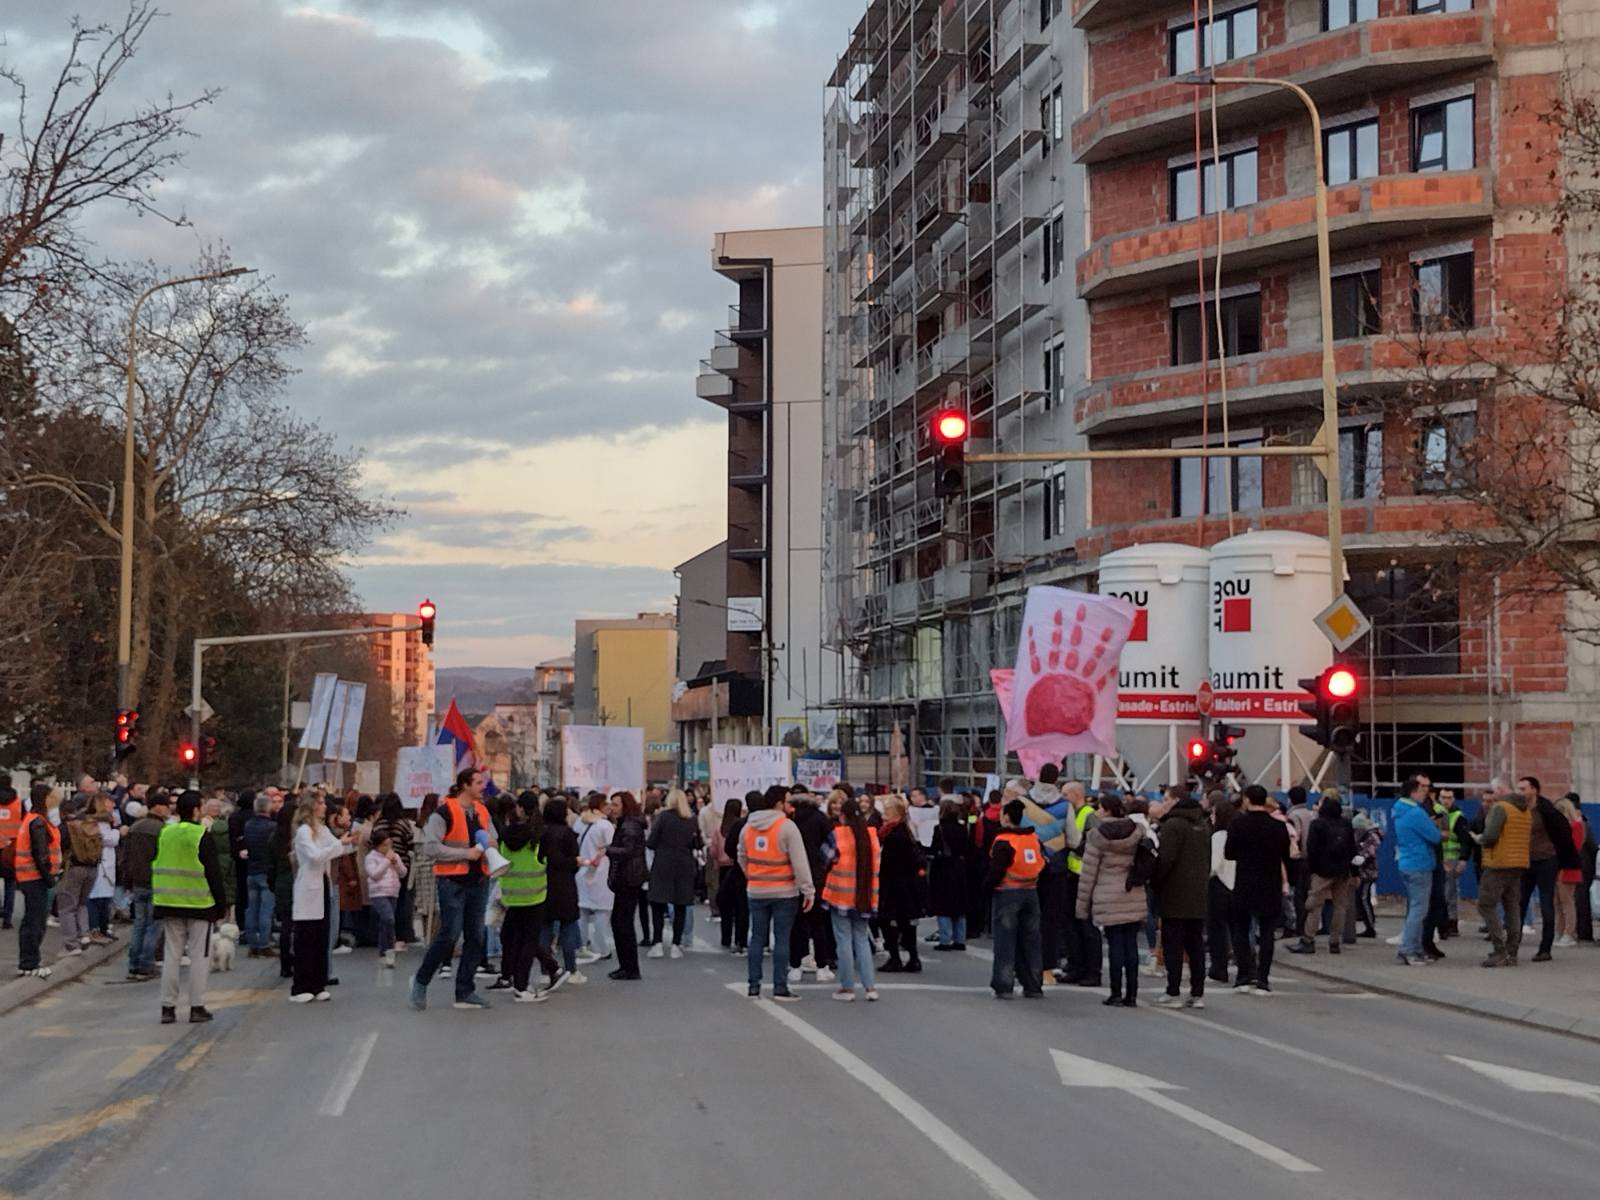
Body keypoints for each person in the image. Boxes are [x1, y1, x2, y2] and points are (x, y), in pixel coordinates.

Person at [410, 768, 495, 1010]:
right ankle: (421, 980)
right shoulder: (444, 812)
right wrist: (465, 853)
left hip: (478, 880)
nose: (483, 786)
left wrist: (490, 844)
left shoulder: (482, 811)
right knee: (449, 934)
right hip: (452, 881)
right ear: (465, 785)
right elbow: (431, 847)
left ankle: (465, 990)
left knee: (476, 936)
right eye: (478, 782)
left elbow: (493, 837)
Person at [153, 791, 228, 1024]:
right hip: (199, 904)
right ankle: (196, 1006)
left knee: (172, 955)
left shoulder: (166, 832)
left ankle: (167, 1007)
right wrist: (221, 905)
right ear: (196, 810)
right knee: (199, 956)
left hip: (168, 902)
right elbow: (213, 873)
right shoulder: (201, 835)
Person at [738, 784, 814, 1000]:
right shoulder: (787, 827)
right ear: (779, 803)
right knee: (782, 939)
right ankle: (780, 986)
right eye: (788, 801)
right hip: (784, 891)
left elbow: (741, 855)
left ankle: (753, 986)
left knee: (757, 937)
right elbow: (799, 862)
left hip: (756, 890)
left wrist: (752, 875)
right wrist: (808, 890)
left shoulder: (748, 827)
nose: (791, 806)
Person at [1075, 794, 1147, 1008]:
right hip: (1133, 891)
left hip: (1107, 894)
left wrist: (1082, 907)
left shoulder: (1097, 836)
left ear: (1106, 810)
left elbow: (1089, 874)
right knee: (1131, 945)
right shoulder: (1136, 831)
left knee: (1115, 944)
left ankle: (1116, 992)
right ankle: (1132, 993)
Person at [1224, 785, 1292, 994]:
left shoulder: (1238, 824)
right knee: (1267, 932)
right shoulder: (1278, 826)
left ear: (1247, 800)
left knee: (1241, 930)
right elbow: (1285, 855)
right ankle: (1263, 979)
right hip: (1270, 883)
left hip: (1245, 882)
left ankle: (1244, 975)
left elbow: (1229, 853)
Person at [493, 795, 561, 1002]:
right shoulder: (539, 835)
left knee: (512, 937)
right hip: (535, 895)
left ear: (519, 809)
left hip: (511, 895)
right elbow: (551, 862)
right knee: (528, 942)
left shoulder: (505, 834)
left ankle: (513, 977)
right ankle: (522, 987)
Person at [291, 791, 354, 1002]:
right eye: (320, 803)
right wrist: (339, 844)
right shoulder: (304, 832)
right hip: (308, 888)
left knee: (321, 936)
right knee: (306, 938)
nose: (325, 806)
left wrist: (349, 842)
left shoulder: (322, 829)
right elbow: (316, 856)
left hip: (323, 885)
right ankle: (301, 986)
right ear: (311, 806)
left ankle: (318, 983)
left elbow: (335, 848)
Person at [1152, 786, 1210, 1007]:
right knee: (1195, 944)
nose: (1163, 803)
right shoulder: (1202, 825)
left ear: (1175, 801)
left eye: (1166, 799)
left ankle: (1173, 990)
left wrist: (1155, 880)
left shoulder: (1173, 825)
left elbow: (1166, 859)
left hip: (1174, 891)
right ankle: (1197, 992)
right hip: (1198, 892)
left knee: (1173, 944)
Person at [821, 796, 881, 1001]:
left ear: (843, 816)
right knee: (862, 939)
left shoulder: (837, 835)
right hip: (866, 895)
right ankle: (870, 987)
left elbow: (825, 858)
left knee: (843, 941)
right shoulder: (872, 835)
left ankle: (847, 987)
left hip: (841, 895)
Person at [985, 798, 1045, 999]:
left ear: (1006, 817)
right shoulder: (1033, 838)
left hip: (1007, 891)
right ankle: (1033, 984)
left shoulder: (1004, 840)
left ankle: (1003, 984)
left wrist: (986, 888)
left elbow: (996, 870)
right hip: (1031, 891)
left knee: (1005, 941)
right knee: (1032, 940)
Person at [1520, 777, 1581, 962]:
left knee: (1547, 901)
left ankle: (1545, 948)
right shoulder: (1519, 808)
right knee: (1520, 901)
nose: (1520, 792)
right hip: (1526, 861)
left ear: (1534, 790)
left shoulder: (1546, 809)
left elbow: (1563, 832)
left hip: (1546, 860)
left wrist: (1562, 859)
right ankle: (1512, 944)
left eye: (1523, 788)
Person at [1290, 796, 1357, 956]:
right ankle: (1335, 942)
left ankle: (1308, 939)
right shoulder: (1346, 824)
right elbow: (1352, 849)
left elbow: (1311, 849)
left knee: (1315, 906)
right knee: (1340, 907)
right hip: (1342, 870)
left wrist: (1313, 869)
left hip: (1322, 871)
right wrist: (1354, 872)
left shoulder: (1318, 824)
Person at [1477, 781, 1531, 967]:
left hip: (1498, 863)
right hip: (1518, 863)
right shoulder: (1524, 810)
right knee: (1512, 907)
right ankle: (1512, 951)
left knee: (1486, 905)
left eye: (1494, 791)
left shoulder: (1501, 808)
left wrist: (1481, 839)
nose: (1492, 796)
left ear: (1500, 790)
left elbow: (1491, 835)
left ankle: (1499, 949)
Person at [786, 788, 837, 983]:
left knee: (797, 923)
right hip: (816, 875)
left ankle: (795, 965)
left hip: (792, 875)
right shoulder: (820, 818)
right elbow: (833, 846)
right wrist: (822, 864)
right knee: (818, 923)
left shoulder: (789, 820)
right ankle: (822, 966)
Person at [1392, 774, 1441, 966]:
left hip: (1407, 862)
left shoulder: (1399, 811)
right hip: (1420, 863)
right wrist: (1433, 825)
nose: (1424, 794)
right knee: (1419, 911)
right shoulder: (1416, 813)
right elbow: (1434, 836)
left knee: (1415, 908)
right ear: (1413, 792)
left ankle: (1416, 949)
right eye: (1421, 790)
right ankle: (1408, 950)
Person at [14, 783, 62, 979]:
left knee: (32, 921)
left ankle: (28, 962)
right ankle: (29, 963)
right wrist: (49, 878)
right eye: (52, 796)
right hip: (36, 878)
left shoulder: (33, 819)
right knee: (35, 922)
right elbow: (40, 854)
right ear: (46, 799)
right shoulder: (38, 822)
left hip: (31, 877)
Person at [646, 788, 699, 960]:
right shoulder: (691, 819)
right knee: (680, 904)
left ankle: (657, 943)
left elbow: (651, 842)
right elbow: (698, 843)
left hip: (663, 862)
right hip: (684, 864)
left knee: (658, 904)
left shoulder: (663, 817)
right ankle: (676, 944)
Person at [123, 791, 169, 981]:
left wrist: (127, 880)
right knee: (153, 925)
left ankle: (133, 963)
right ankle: (146, 963)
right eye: (165, 805)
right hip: (155, 881)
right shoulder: (162, 830)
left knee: (139, 924)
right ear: (158, 807)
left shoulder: (135, 827)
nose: (168, 809)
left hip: (137, 881)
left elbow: (125, 856)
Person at [876, 795, 925, 974]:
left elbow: (889, 862)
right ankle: (912, 957)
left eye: (886, 812)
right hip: (905, 885)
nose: (883, 816)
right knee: (905, 922)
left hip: (895, 884)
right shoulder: (903, 831)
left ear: (896, 814)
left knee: (887, 920)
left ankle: (895, 957)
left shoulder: (894, 835)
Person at [539, 794, 584, 983]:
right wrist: (575, 862)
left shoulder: (540, 833)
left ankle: (546, 970)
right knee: (568, 928)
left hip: (543, 883)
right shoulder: (567, 834)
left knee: (545, 929)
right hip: (565, 884)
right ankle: (571, 970)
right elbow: (572, 860)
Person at [604, 791, 648, 982]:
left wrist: (608, 850)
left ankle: (629, 967)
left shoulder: (629, 826)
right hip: (628, 876)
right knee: (620, 921)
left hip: (629, 878)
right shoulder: (627, 824)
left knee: (623, 922)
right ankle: (626, 965)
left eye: (616, 805)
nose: (612, 808)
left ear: (625, 806)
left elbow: (628, 850)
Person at [1062, 782, 1100, 987]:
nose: (1063, 798)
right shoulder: (1073, 814)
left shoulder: (1088, 815)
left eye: (1065, 794)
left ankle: (1092, 971)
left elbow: (1094, 843)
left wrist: (1073, 845)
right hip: (1072, 874)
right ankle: (1076, 967)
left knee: (1086, 925)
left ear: (1076, 794)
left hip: (1084, 876)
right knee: (1072, 925)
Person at [58, 797, 102, 957]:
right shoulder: (88, 825)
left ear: (62, 813)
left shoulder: (65, 827)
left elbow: (59, 848)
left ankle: (71, 944)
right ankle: (84, 934)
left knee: (67, 907)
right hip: (92, 868)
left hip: (73, 868)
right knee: (82, 904)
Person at [371, 794, 416, 948]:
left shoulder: (379, 824)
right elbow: (410, 844)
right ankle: (400, 936)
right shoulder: (404, 824)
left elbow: (372, 842)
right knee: (401, 902)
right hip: (400, 866)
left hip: (381, 866)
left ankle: (384, 935)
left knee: (384, 901)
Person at [575, 792, 615, 965]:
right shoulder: (605, 825)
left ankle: (581, 945)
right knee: (602, 911)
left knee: (582, 911)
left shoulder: (580, 822)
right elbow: (611, 846)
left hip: (582, 868)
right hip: (600, 870)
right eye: (607, 804)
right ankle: (602, 948)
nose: (610, 807)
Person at [929, 799, 973, 951]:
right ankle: (960, 939)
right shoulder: (962, 828)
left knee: (943, 905)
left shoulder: (939, 828)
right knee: (959, 905)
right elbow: (967, 848)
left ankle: (945, 940)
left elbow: (935, 849)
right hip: (959, 868)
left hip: (943, 868)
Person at [241, 793, 277, 958]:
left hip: (251, 869)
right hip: (266, 870)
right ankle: (264, 943)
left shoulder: (248, 825)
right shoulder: (272, 827)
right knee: (266, 910)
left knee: (252, 909)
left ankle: (252, 944)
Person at [1206, 798, 1237, 984]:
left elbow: (1214, 864)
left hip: (1219, 885)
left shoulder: (1217, 837)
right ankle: (1247, 968)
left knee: (1217, 930)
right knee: (1237, 929)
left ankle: (1219, 967)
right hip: (1237, 885)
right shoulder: (1237, 834)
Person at [365, 830, 406, 967]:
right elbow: (374, 874)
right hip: (378, 893)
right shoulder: (371, 858)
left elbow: (403, 873)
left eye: (389, 845)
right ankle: (389, 949)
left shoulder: (395, 855)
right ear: (377, 846)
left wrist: (396, 863)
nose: (388, 848)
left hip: (393, 892)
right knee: (388, 919)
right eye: (384, 845)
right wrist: (387, 861)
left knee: (386, 923)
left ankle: (384, 952)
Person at [715, 798, 749, 954]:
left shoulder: (721, 828)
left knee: (725, 903)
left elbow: (715, 849)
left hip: (724, 867)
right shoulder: (743, 825)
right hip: (740, 867)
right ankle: (740, 939)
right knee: (741, 905)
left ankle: (726, 936)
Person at [87, 794, 120, 941]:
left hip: (105, 864)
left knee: (104, 900)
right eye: (108, 803)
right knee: (97, 899)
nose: (112, 806)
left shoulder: (105, 822)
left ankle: (103, 928)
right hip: (101, 864)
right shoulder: (98, 823)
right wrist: (117, 831)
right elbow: (109, 839)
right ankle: (96, 929)